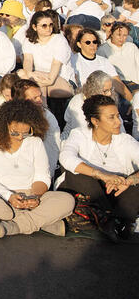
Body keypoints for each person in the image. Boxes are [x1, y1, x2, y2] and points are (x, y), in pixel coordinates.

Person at [0, 99, 75, 237]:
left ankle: (12, 225)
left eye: (26, 133)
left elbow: (42, 176)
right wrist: (9, 196)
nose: (20, 137)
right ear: (4, 125)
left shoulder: (35, 141)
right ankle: (42, 222)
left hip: (29, 193)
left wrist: (35, 197)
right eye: (15, 132)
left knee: (67, 200)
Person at [58, 95, 139, 235]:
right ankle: (114, 220)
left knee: (134, 190)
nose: (118, 122)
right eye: (111, 117)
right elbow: (66, 157)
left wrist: (128, 181)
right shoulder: (79, 134)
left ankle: (108, 220)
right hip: (90, 189)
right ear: (95, 121)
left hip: (115, 189)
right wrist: (102, 175)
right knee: (76, 174)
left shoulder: (125, 140)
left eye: (118, 116)